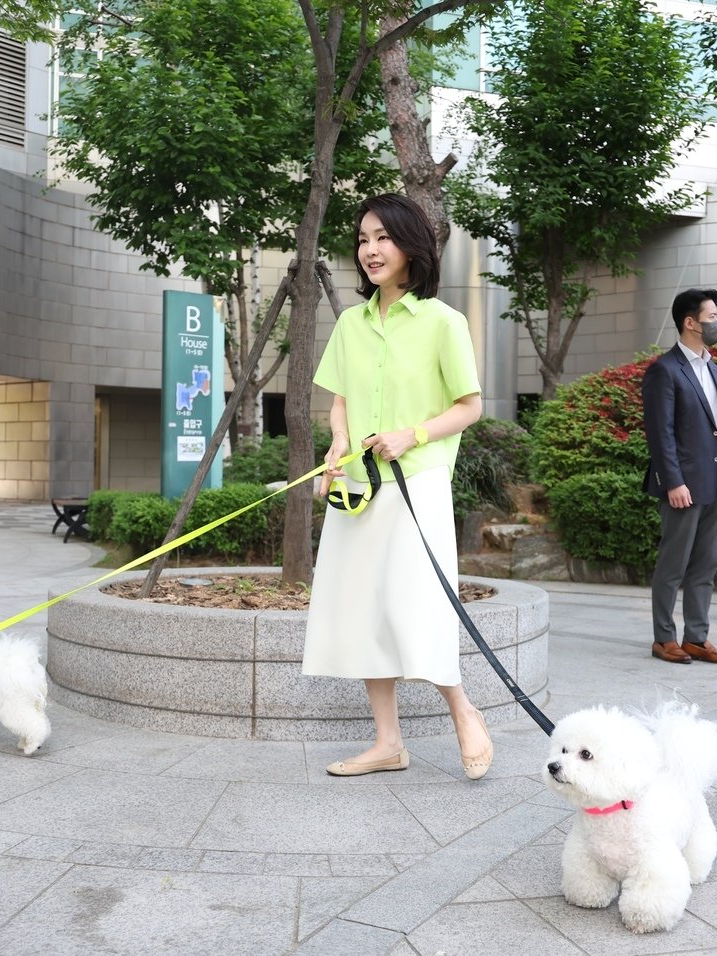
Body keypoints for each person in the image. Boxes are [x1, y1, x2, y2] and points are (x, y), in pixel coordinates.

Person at [303, 193, 491, 780]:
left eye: (383, 237)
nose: (370, 250)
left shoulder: (444, 322)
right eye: (363, 239)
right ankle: (388, 743)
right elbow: (340, 401)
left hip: (419, 483)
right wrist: (336, 444)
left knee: (417, 603)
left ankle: (462, 708)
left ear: (412, 246)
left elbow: (470, 407)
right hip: (358, 486)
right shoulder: (352, 325)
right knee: (364, 609)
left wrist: (412, 434)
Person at [642, 289, 717, 665]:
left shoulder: (712, 368)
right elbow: (660, 432)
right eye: (711, 316)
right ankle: (664, 638)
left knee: (705, 564)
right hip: (682, 484)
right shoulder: (664, 370)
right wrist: (673, 481)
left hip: (715, 482)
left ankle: (697, 637)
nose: (716, 322)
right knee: (673, 564)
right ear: (690, 322)